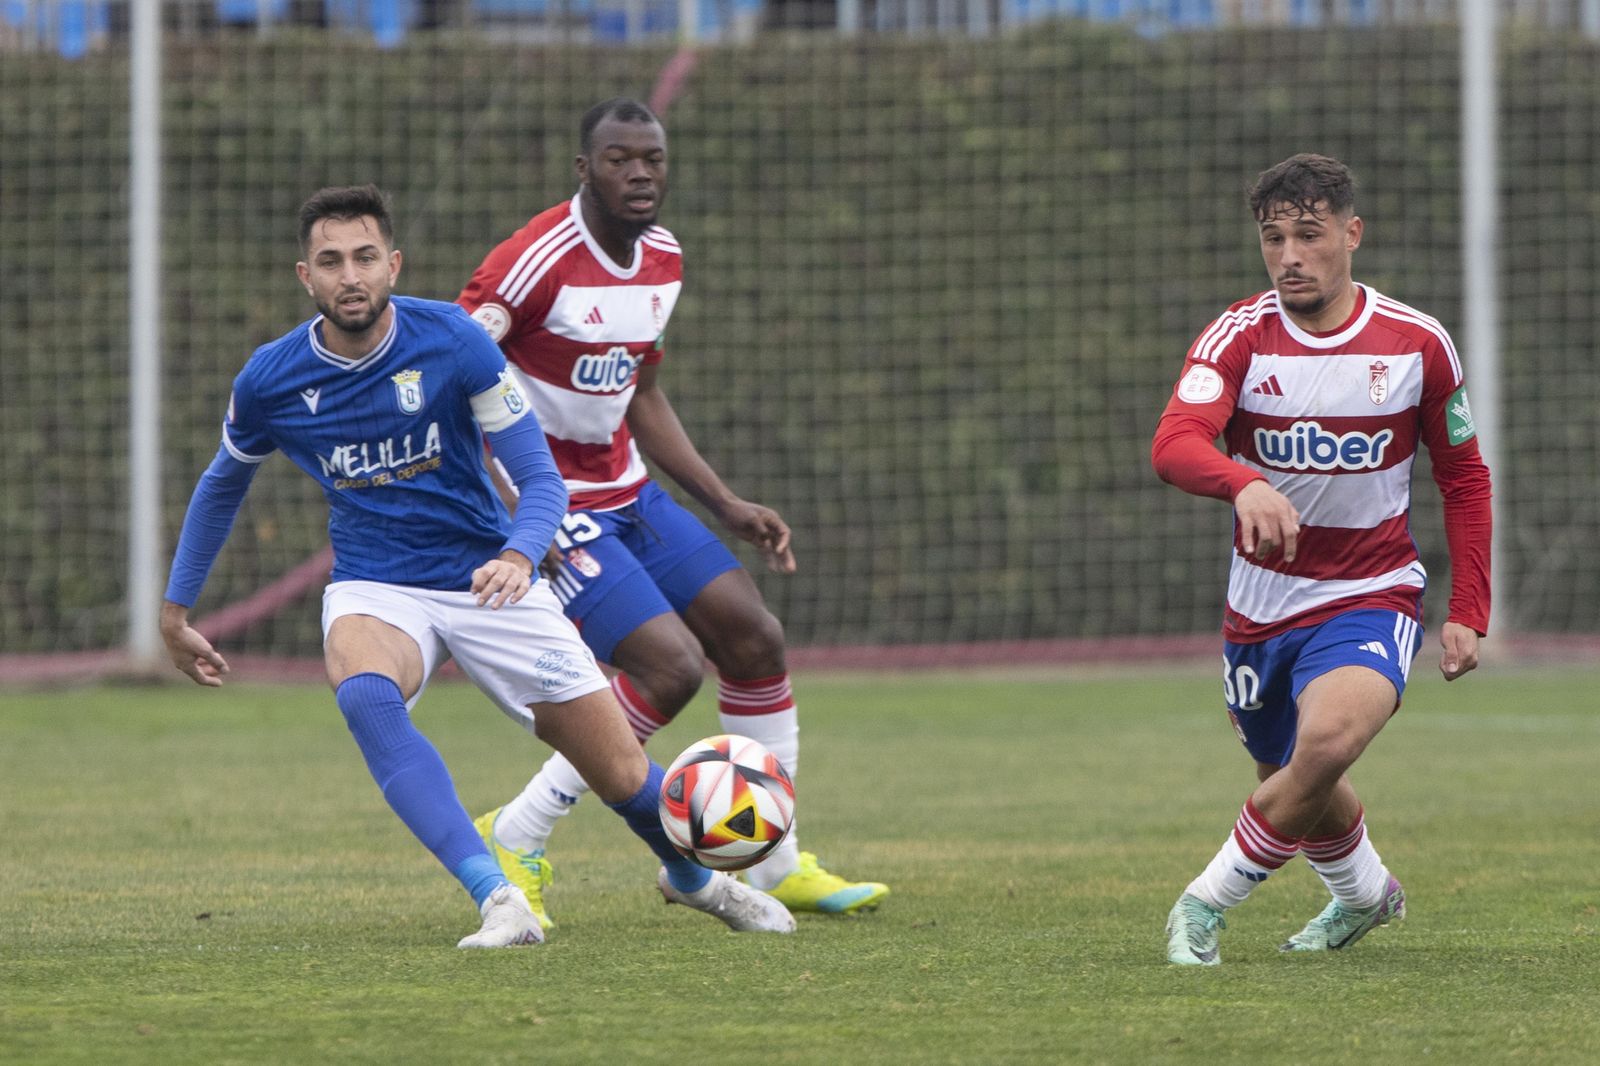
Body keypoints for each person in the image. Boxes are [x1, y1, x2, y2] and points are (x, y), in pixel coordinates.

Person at [160, 184, 794, 947]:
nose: (350, 276)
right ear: (306, 277)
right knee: (365, 694)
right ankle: (498, 898)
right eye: (331, 262)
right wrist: (175, 611)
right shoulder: (272, 379)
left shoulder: (454, 341)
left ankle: (695, 879)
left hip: (489, 578)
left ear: (394, 264)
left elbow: (539, 476)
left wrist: (522, 554)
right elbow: (222, 480)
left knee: (622, 774)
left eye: (365, 257)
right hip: (378, 583)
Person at [456, 98, 888, 927]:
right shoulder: (531, 261)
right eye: (619, 159)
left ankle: (772, 863)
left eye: (652, 157)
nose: (640, 173)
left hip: (629, 490)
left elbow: (640, 391)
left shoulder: (663, 258)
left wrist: (724, 502)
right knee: (671, 666)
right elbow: (450, 377)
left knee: (753, 638)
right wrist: (517, 513)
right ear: (585, 171)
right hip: (554, 501)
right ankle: (518, 830)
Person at [1151, 154, 1492, 966]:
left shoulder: (1415, 343)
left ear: (1352, 234)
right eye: (1274, 239)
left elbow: (1464, 476)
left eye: (1308, 235)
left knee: (1330, 742)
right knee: (1298, 776)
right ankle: (1368, 894)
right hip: (1260, 604)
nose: (1290, 256)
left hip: (1372, 591)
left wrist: (1469, 609)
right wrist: (1244, 485)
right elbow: (1174, 445)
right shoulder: (1239, 336)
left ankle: (1204, 903)